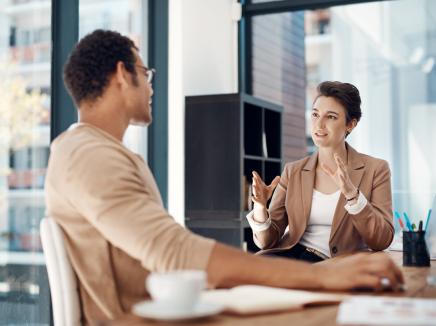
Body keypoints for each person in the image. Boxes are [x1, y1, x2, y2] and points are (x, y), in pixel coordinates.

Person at [45, 30, 403, 324]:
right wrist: (320, 277)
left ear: (350, 124)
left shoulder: (108, 154)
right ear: (124, 75)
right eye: (146, 74)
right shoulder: (88, 155)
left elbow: (160, 255)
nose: (151, 87)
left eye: (331, 117)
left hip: (167, 308)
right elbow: (174, 251)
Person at [247, 81, 394, 263]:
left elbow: (382, 239)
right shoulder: (293, 171)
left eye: (331, 117)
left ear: (350, 124)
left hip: (336, 264)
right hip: (291, 257)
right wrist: (260, 207)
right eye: (315, 114)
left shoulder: (376, 169)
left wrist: (352, 195)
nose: (319, 124)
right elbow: (267, 242)